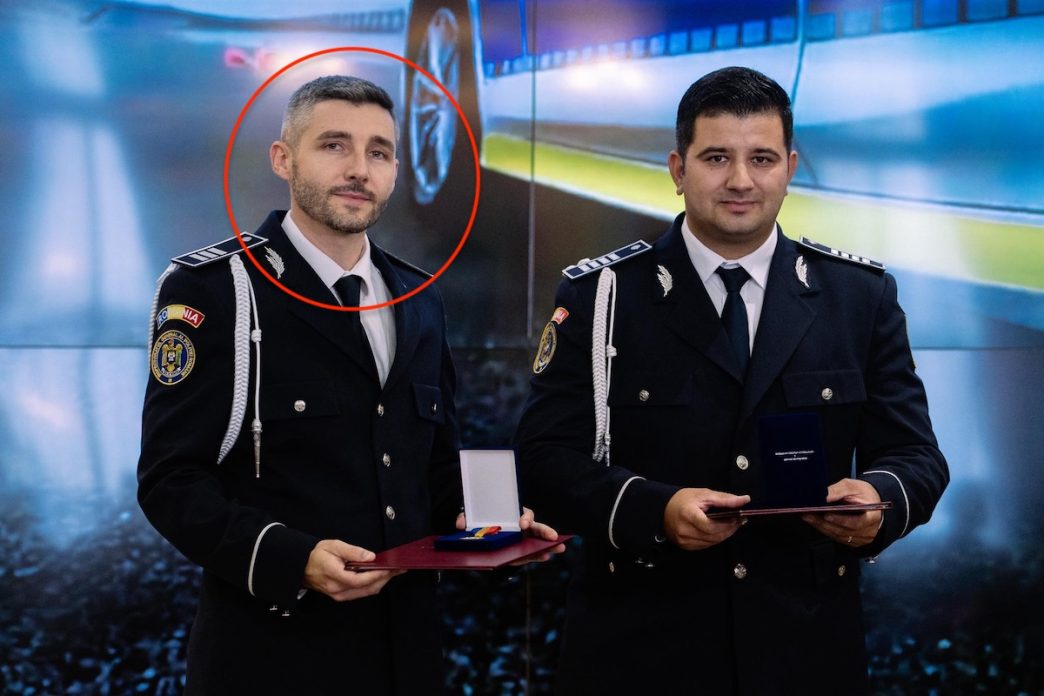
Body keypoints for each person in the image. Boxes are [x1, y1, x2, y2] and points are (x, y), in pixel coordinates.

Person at [514, 66, 949, 695]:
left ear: (790, 168)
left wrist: (878, 502)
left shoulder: (859, 297)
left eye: (762, 159)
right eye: (716, 157)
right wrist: (656, 510)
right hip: (641, 652)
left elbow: (916, 456)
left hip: (804, 655)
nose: (741, 180)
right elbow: (544, 458)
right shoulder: (603, 295)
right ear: (677, 168)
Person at [138, 75, 556, 695]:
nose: (360, 168)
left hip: (406, 655)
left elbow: (432, 464)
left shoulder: (419, 298)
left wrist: (481, 521)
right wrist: (290, 558)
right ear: (283, 158)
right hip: (272, 657)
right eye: (335, 145)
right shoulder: (218, 288)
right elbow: (170, 480)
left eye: (379, 152)